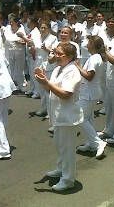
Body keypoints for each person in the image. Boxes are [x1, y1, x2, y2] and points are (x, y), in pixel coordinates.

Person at [35, 43, 83, 191]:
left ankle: (68, 179)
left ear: (69, 57)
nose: (55, 56)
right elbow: (50, 88)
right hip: (58, 115)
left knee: (67, 149)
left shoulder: (73, 71)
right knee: (60, 145)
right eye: (55, 53)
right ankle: (61, 169)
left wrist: (47, 82)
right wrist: (42, 80)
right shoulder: (57, 69)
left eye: (59, 54)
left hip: (68, 117)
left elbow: (66, 94)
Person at [75, 36, 107, 158]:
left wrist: (77, 67)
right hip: (91, 92)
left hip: (89, 93)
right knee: (88, 118)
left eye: (88, 42)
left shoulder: (94, 58)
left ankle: (98, 143)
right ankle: (91, 143)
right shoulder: (95, 57)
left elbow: (89, 76)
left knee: (80, 117)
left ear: (93, 45)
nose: (86, 44)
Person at [4, 18, 26, 93]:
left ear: (16, 23)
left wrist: (20, 41)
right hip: (9, 51)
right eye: (9, 22)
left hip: (19, 51)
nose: (10, 23)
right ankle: (11, 86)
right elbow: (6, 38)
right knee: (10, 68)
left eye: (12, 22)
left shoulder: (21, 29)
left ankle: (21, 86)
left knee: (19, 69)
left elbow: (24, 40)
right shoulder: (7, 29)